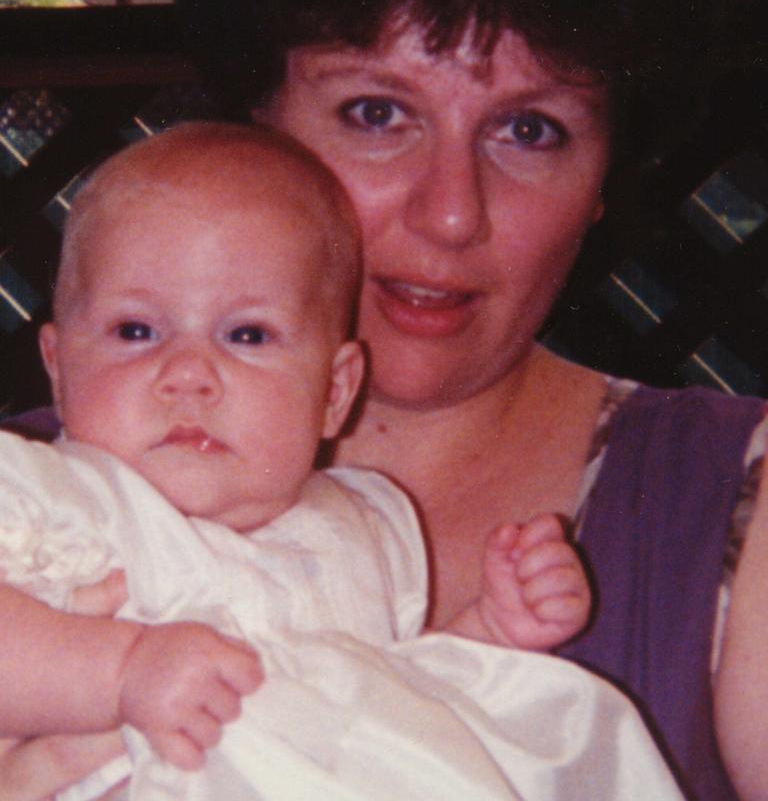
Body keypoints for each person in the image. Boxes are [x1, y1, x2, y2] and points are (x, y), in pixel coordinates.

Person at [6, 0, 768, 797]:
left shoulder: (729, 511)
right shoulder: (47, 506)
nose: (451, 211)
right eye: (376, 112)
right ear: (254, 119)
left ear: (603, 180)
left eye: (530, 128)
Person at [0, 122, 679, 800]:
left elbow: (393, 706)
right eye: (136, 330)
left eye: (247, 334)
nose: (187, 374)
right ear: (58, 371)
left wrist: (488, 635)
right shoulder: (57, 500)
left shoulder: (363, 527)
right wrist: (119, 672)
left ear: (334, 390)